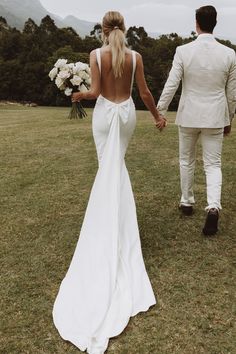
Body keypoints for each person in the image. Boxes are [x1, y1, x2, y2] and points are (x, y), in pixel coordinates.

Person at [52, 11, 166, 354]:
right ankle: (118, 225)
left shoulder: (95, 55)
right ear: (124, 29)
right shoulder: (136, 57)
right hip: (127, 114)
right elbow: (144, 93)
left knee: (108, 168)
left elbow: (97, 91)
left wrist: (78, 95)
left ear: (103, 30)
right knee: (115, 168)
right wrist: (159, 116)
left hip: (104, 116)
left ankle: (108, 225)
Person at [157, 5, 236, 236]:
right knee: (213, 164)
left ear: (196, 23)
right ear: (215, 23)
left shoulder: (183, 51)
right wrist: (229, 118)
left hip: (189, 114)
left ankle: (187, 202)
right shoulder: (229, 54)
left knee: (186, 160)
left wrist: (160, 110)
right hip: (215, 116)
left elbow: (172, 84)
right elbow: (232, 93)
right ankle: (212, 207)